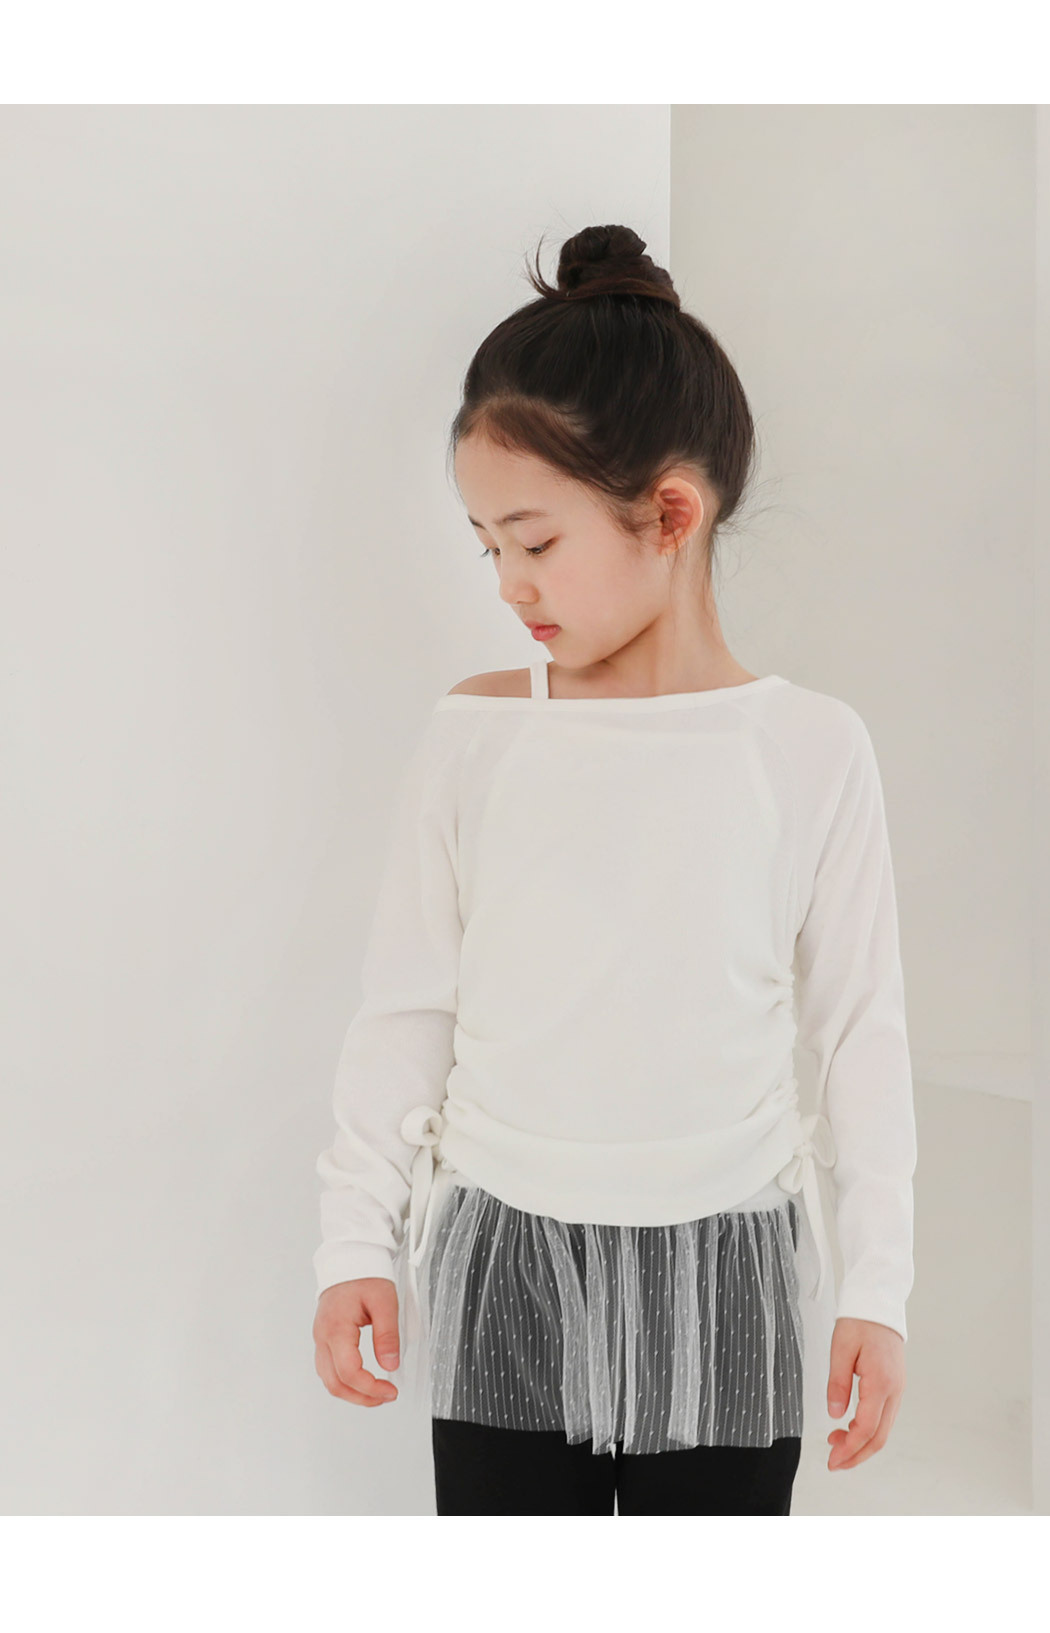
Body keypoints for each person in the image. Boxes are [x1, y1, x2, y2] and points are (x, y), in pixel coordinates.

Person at [311, 223, 918, 1516]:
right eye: (487, 546)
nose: (507, 584)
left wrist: (879, 1286)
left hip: (729, 1270)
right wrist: (352, 1236)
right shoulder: (477, 734)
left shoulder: (809, 748)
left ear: (671, 513)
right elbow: (407, 1005)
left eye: (534, 542)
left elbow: (858, 1031)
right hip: (505, 1258)